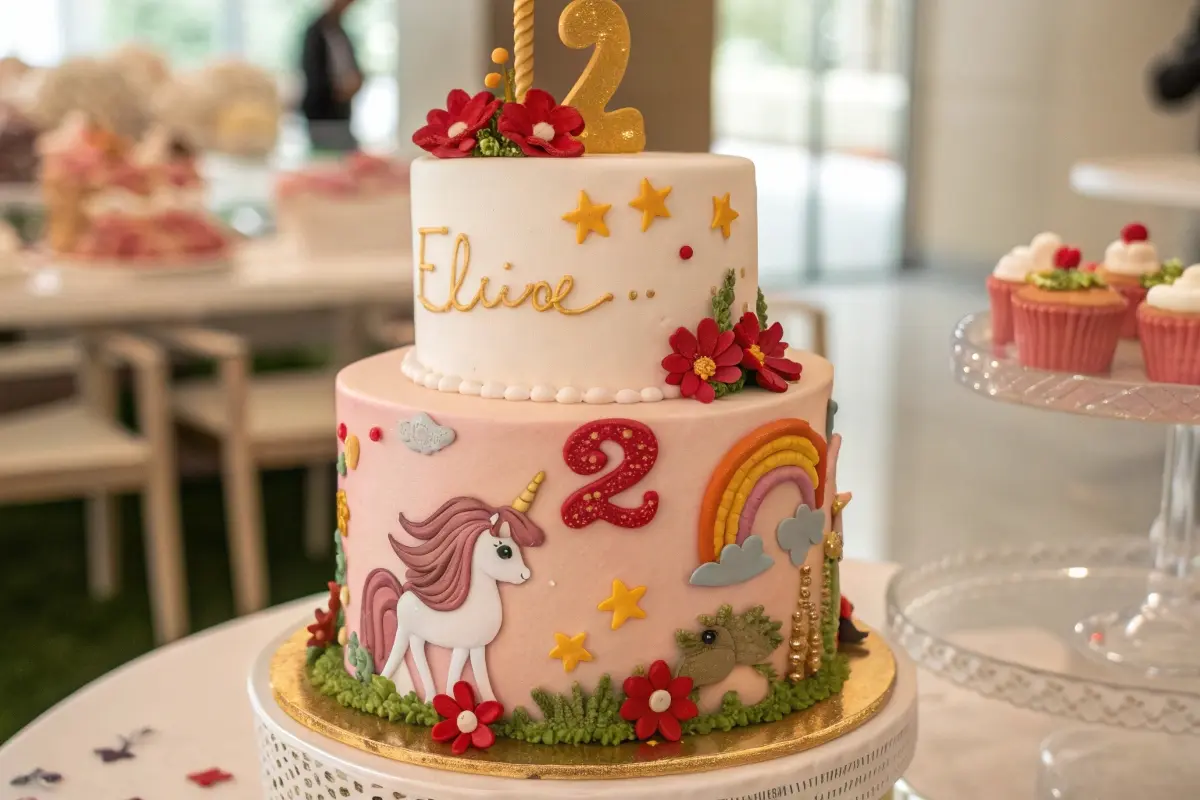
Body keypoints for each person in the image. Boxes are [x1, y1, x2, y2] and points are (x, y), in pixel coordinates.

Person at [300, 0, 363, 152]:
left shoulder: (340, 30)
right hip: (322, 113)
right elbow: (312, 72)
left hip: (342, 112)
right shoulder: (315, 31)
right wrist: (338, 90)